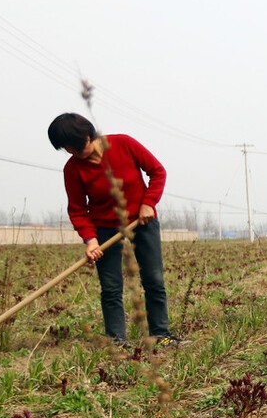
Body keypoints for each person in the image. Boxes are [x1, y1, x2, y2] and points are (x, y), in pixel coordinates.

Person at [47, 113, 179, 346]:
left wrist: (149, 203)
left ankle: (161, 335)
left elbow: (158, 171)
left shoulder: (123, 144)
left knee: (153, 280)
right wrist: (90, 240)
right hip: (105, 228)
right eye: (69, 150)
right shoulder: (73, 169)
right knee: (110, 288)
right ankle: (117, 341)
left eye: (79, 146)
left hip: (142, 221)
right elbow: (77, 209)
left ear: (89, 135)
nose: (77, 153)